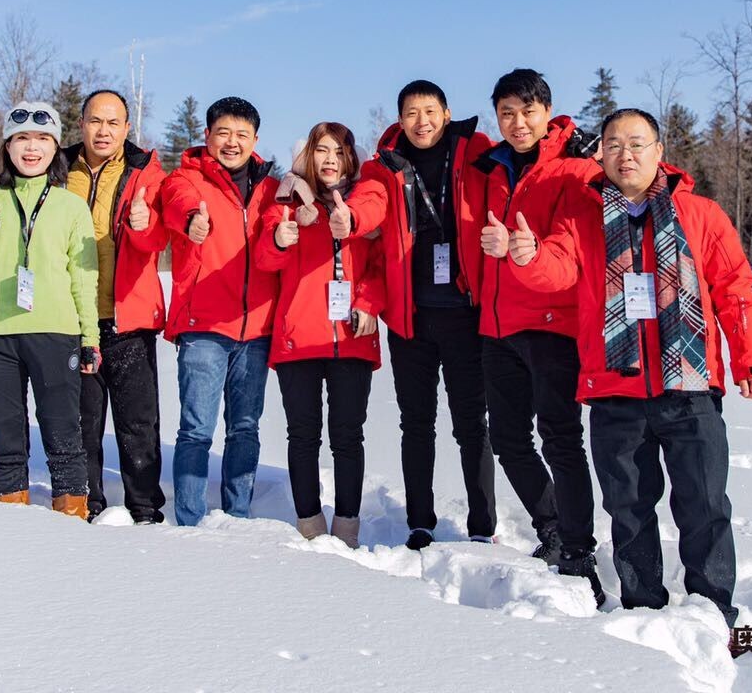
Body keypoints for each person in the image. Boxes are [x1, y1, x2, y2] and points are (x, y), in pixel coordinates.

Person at [506, 107, 752, 629]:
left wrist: (749, 359)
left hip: (689, 386)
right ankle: (643, 606)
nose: (626, 155)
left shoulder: (701, 214)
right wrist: (528, 254)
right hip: (615, 389)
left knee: (705, 504)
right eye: (614, 145)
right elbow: (555, 270)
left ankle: (713, 609)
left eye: (637, 143)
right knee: (628, 508)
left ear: (658, 151)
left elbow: (734, 289)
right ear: (599, 153)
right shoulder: (580, 217)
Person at [344, 79, 498, 550]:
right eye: (411, 113)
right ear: (400, 118)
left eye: (429, 111)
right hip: (410, 318)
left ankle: (481, 525)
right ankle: (420, 520)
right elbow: (369, 201)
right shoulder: (383, 164)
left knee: (472, 423)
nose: (421, 121)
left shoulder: (477, 150)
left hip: (465, 315)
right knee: (417, 423)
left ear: (446, 113)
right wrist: (351, 217)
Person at [469, 68, 603, 603]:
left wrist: (528, 255)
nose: (518, 122)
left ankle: (578, 551)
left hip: (553, 328)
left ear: (547, 112)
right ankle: (551, 526)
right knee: (506, 439)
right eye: (507, 113)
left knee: (562, 439)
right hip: (498, 326)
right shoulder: (494, 167)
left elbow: (571, 252)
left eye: (527, 111)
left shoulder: (574, 169)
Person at [0, 101, 99, 518]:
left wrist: (90, 338)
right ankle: (10, 515)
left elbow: (84, 278)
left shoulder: (71, 206)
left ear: (55, 149)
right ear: (8, 147)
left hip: (55, 332)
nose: (32, 149)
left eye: (43, 140)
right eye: (22, 140)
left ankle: (71, 512)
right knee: (6, 438)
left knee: (64, 432)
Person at [254, 122, 384, 547]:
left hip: (351, 337)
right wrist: (280, 236)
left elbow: (380, 266)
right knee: (303, 436)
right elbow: (264, 261)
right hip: (298, 339)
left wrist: (367, 301)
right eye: (322, 150)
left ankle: (347, 525)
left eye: (340, 152)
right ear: (308, 155)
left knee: (348, 435)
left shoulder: (365, 201)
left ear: (351, 158)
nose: (330, 160)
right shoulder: (285, 200)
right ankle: (308, 523)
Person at [159, 96, 279, 526]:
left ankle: (238, 514)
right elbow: (175, 202)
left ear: (255, 140)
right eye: (223, 133)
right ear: (207, 136)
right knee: (196, 429)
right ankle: (190, 520)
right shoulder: (187, 179)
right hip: (204, 327)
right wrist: (192, 219)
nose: (232, 142)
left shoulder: (270, 188)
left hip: (257, 329)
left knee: (245, 429)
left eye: (241, 135)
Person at [63, 89, 170, 524]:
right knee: (83, 423)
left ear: (127, 128)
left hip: (129, 316)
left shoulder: (147, 172)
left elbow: (159, 237)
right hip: (73, 318)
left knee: (138, 425)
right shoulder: (58, 169)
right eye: (95, 121)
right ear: (82, 123)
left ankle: (144, 509)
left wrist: (146, 225)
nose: (103, 131)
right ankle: (88, 505)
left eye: (113, 123)